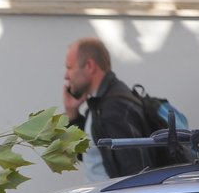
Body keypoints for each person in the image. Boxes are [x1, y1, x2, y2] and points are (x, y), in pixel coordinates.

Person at [63, 37, 153, 181]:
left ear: (89, 66)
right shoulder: (99, 104)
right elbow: (88, 154)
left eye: (70, 67)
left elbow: (134, 174)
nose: (66, 76)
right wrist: (72, 114)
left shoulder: (114, 108)